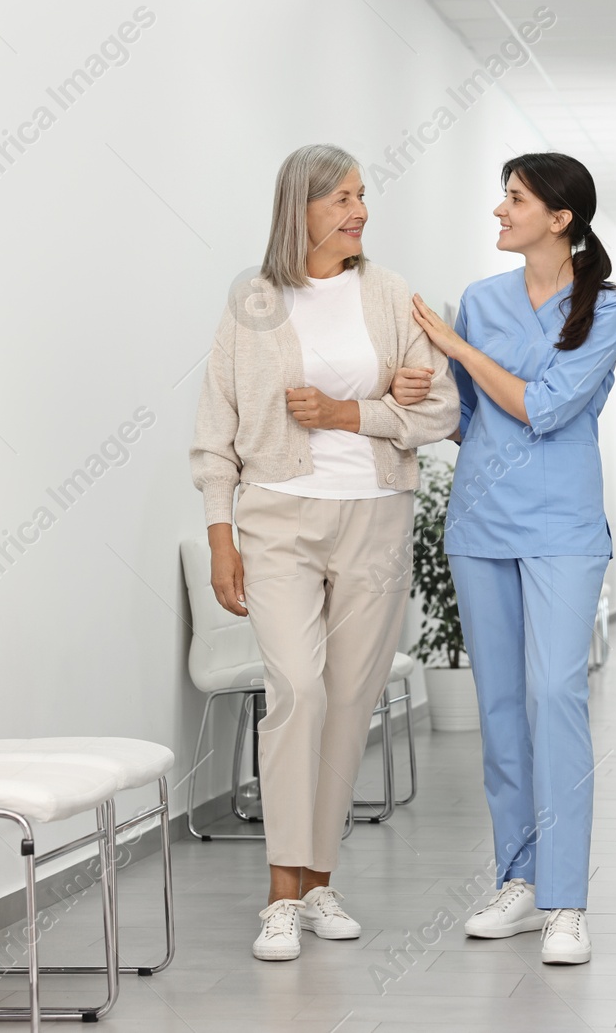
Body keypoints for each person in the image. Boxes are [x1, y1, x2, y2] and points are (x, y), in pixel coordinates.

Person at [189, 144, 459, 962]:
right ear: (298, 208)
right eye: (341, 196)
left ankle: (320, 881)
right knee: (298, 688)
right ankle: (280, 892)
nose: (358, 210)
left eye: (362, 195)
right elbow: (215, 429)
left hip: (375, 515)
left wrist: (356, 415)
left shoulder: (393, 296)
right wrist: (220, 535)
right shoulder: (255, 302)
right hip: (278, 516)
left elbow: (440, 411)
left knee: (350, 700)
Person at [393, 152, 616, 965]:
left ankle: (567, 901)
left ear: (560, 218)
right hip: (482, 525)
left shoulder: (608, 305)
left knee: (556, 694)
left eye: (516, 198)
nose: (500, 210)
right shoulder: (484, 299)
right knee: (499, 710)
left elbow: (546, 406)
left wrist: (459, 348)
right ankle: (520, 881)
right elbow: (467, 419)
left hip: (562, 526)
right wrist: (416, 385)